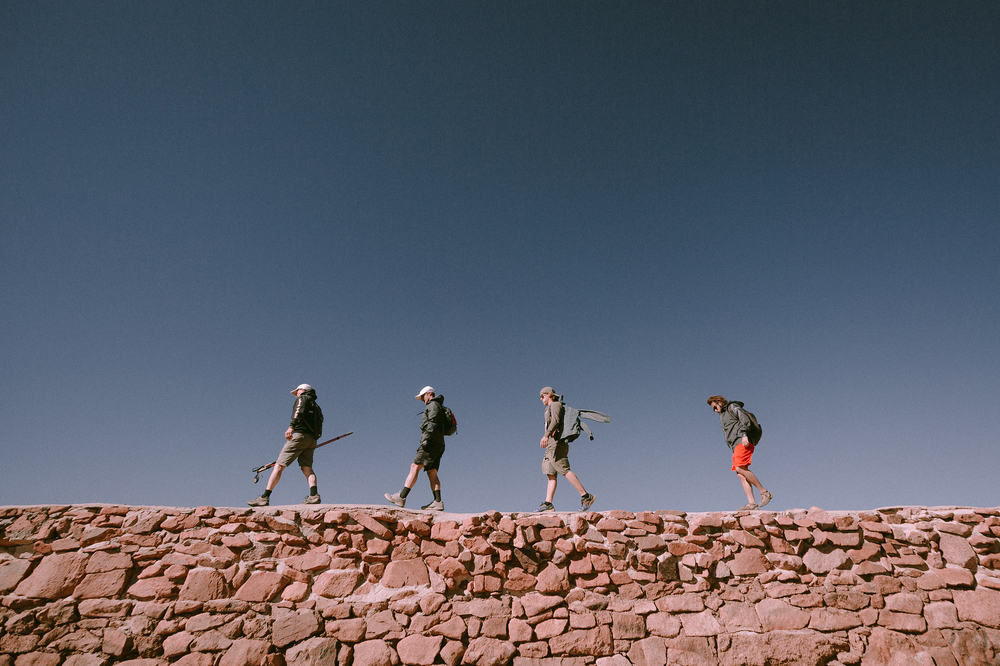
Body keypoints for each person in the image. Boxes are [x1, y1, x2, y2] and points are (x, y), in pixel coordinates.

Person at [248, 384, 324, 507]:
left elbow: (298, 411)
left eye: (297, 391)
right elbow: (320, 423)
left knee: (279, 465)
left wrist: (291, 427)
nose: (296, 395)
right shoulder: (317, 407)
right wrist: (314, 438)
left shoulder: (303, 399)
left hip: (299, 435)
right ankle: (314, 496)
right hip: (311, 439)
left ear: (303, 390)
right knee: (307, 467)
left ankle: (264, 497)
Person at [385, 386, 447, 511]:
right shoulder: (437, 406)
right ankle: (438, 502)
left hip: (430, 443)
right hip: (439, 443)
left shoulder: (433, 405)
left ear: (429, 393)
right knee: (432, 472)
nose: (422, 400)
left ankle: (401, 497)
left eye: (423, 396)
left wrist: (426, 439)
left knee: (415, 466)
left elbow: (432, 422)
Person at [707, 395, 772, 510]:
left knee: (740, 468)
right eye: (713, 409)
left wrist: (744, 435)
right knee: (740, 474)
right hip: (735, 445)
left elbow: (744, 420)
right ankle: (752, 503)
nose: (715, 410)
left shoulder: (732, 407)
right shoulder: (723, 415)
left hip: (742, 440)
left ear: (720, 402)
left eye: (715, 407)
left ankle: (764, 492)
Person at [537, 387, 596, 512]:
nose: (541, 399)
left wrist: (546, 435)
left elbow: (556, 421)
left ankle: (586, 496)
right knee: (550, 473)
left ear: (549, 395)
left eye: (542, 396)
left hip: (558, 443)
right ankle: (548, 504)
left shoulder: (555, 405)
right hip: (551, 445)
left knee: (563, 469)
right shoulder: (547, 409)